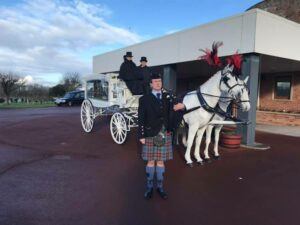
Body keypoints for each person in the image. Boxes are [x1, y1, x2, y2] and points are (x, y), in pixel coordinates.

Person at [138, 73, 185, 200]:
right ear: (151, 84)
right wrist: (141, 135)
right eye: (155, 81)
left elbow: (178, 106)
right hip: (150, 133)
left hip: (164, 133)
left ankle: (160, 187)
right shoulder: (144, 99)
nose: (158, 83)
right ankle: (149, 188)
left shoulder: (168, 97)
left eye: (159, 81)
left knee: (160, 161)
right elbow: (141, 118)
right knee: (150, 161)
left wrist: (183, 106)